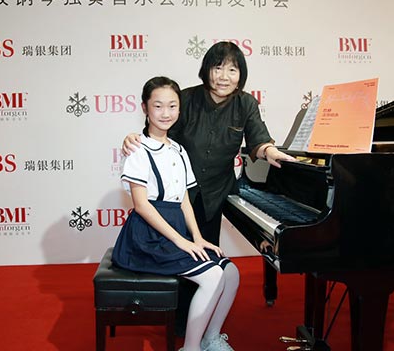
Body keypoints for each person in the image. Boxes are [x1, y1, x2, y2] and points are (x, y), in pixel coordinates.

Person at [122, 41, 295, 335]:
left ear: (241, 74)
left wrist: (271, 151)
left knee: (202, 257)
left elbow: (258, 140)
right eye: (218, 67)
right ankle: (178, 326)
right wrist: (132, 137)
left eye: (232, 69)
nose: (224, 76)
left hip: (215, 193)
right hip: (179, 197)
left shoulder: (246, 104)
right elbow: (159, 132)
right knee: (179, 261)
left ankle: (197, 326)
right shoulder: (186, 98)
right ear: (207, 70)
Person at [112, 76, 239, 351]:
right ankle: (190, 348)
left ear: (179, 110)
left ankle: (211, 338)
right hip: (146, 237)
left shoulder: (179, 150)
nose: (166, 113)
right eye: (158, 106)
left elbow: (183, 199)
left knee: (231, 273)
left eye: (172, 106)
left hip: (174, 230)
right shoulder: (137, 149)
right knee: (212, 276)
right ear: (145, 108)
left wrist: (197, 237)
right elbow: (141, 205)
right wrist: (182, 241)